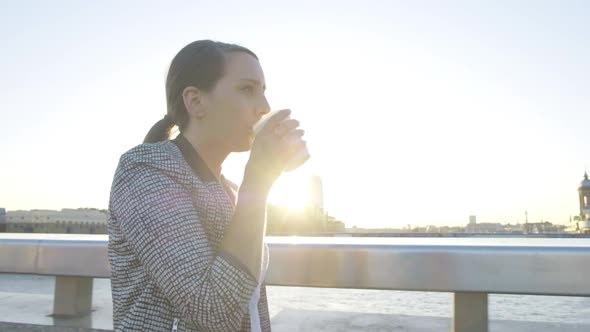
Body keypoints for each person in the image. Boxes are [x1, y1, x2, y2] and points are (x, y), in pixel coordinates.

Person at [108, 40, 306, 331]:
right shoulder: (145, 170)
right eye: (247, 89)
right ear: (196, 101)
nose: (264, 107)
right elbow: (210, 311)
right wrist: (260, 178)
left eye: (264, 92)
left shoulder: (231, 190)